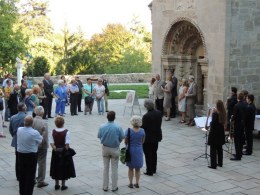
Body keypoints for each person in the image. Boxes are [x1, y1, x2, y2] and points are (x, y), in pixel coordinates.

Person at [97, 111, 125, 192]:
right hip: (115, 148)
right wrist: (118, 141)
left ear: (107, 117)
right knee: (114, 168)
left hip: (105, 148)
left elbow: (99, 136)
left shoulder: (102, 126)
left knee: (105, 168)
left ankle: (105, 186)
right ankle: (114, 186)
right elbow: (122, 137)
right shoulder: (118, 127)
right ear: (114, 117)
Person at [17, 116, 43, 195]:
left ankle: (22, 192)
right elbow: (40, 141)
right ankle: (28, 192)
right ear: (32, 123)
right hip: (31, 155)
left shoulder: (19, 130)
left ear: (24, 122)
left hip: (21, 154)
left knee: (22, 174)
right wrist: (42, 132)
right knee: (30, 174)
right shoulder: (34, 132)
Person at [50, 116, 76, 190]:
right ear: (63, 123)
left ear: (55, 124)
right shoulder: (66, 131)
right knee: (64, 167)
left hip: (55, 152)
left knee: (56, 166)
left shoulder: (53, 131)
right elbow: (67, 143)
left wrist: (55, 149)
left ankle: (56, 184)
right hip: (64, 152)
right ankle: (63, 185)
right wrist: (65, 150)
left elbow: (51, 143)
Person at [141, 99, 162, 176]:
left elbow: (143, 127)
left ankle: (149, 171)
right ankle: (154, 168)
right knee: (154, 153)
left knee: (148, 154)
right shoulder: (159, 113)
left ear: (146, 106)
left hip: (148, 138)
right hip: (156, 136)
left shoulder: (146, 116)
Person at [125, 115, 145, 189]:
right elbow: (143, 141)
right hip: (139, 150)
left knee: (130, 168)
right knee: (138, 168)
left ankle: (130, 183)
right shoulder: (142, 130)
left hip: (130, 150)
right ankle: (137, 183)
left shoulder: (128, 130)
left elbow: (125, 141)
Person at [9, 102, 27, 181]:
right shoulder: (27, 117)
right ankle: (24, 174)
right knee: (25, 158)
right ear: (24, 108)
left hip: (16, 139)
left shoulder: (13, 117)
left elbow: (10, 129)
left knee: (18, 158)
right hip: (25, 140)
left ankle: (18, 176)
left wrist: (14, 136)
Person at [32, 106, 49, 188]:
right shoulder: (44, 123)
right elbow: (45, 136)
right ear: (42, 113)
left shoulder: (31, 120)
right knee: (42, 163)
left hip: (32, 145)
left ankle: (32, 179)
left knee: (33, 162)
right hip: (41, 146)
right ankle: (40, 180)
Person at [207, 100, 226, 169]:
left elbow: (212, 123)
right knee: (219, 149)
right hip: (220, 132)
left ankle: (213, 165)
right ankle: (220, 163)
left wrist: (212, 113)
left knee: (213, 149)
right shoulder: (223, 112)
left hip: (214, 133)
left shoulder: (215, 114)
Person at [230, 92, 247, 161]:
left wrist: (231, 118)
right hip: (242, 124)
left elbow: (235, 116)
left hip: (237, 124)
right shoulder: (245, 104)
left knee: (237, 140)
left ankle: (238, 156)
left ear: (238, 97)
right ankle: (239, 153)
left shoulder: (236, 105)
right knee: (240, 139)